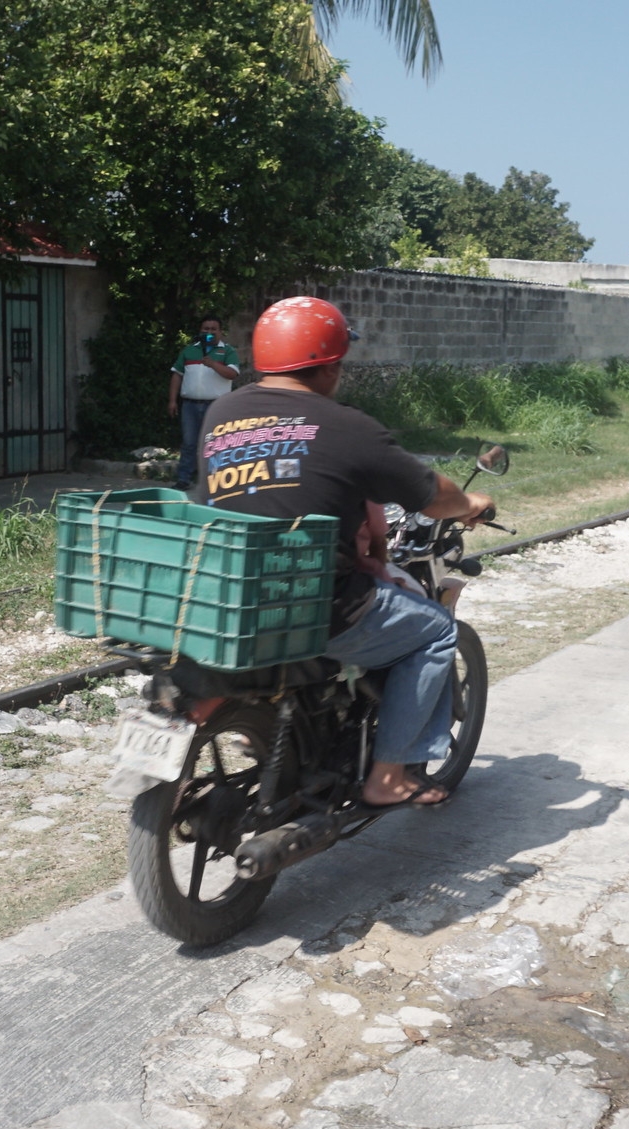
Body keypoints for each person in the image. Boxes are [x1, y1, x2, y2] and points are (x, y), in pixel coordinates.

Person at [192, 296, 493, 808]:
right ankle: (389, 775)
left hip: (228, 591)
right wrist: (469, 503)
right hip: (312, 602)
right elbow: (429, 492)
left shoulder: (223, 412)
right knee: (437, 632)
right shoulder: (347, 425)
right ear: (330, 366)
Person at [168, 317, 240, 490]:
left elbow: (232, 374)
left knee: (216, 443)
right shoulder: (189, 351)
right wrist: (172, 400)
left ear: (220, 332)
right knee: (189, 443)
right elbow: (177, 375)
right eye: (205, 329)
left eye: (213, 329)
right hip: (190, 405)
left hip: (216, 405)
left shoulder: (227, 351)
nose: (209, 332)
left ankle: (216, 482)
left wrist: (213, 364)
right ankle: (184, 479)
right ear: (200, 331)